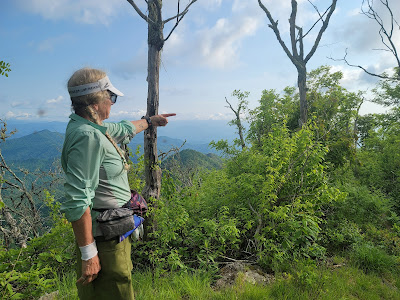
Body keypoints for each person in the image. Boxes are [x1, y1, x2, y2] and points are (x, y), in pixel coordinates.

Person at [60, 67, 175, 299]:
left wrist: (150, 121)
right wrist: (88, 254)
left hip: (111, 232)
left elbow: (124, 129)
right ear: (94, 104)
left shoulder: (94, 127)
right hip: (104, 239)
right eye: (110, 97)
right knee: (116, 291)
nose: (113, 103)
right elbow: (77, 200)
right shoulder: (88, 137)